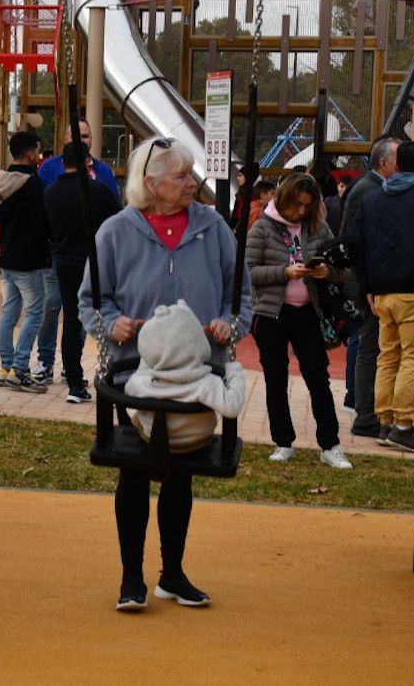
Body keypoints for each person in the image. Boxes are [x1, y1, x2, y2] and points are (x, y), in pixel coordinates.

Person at [79, 136, 252, 610]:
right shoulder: (115, 232)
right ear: (151, 183)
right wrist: (112, 325)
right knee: (134, 470)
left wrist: (228, 324)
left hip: (196, 373)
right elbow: (90, 301)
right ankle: (131, 578)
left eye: (191, 174)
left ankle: (171, 573)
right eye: (180, 176)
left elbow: (241, 296)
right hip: (135, 374)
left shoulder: (214, 229)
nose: (191, 183)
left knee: (181, 474)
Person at [119, 300, 246, 610]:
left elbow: (130, 398)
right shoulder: (207, 382)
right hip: (194, 443)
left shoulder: (141, 381)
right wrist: (234, 369)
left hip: (152, 440)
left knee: (136, 410)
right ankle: (153, 577)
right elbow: (232, 405)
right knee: (166, 479)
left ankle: (165, 577)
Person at [350, 140, 414, 454]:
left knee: (388, 357)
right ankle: (404, 425)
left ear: (396, 165)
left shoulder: (373, 198)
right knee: (413, 361)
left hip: (383, 294)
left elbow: (358, 244)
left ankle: (384, 421)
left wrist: (367, 287)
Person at [247, 173, 352, 468]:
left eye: (307, 206)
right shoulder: (262, 226)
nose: (301, 212)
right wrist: (284, 272)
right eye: (297, 205)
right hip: (270, 313)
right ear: (284, 199)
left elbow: (343, 269)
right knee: (275, 377)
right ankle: (283, 442)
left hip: (308, 312)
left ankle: (330, 444)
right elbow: (249, 271)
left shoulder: (318, 226)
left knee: (317, 376)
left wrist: (327, 273)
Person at [35, 119, 119, 383]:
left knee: (80, 313)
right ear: (65, 138)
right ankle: (45, 360)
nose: (81, 140)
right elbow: (42, 211)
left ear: (92, 140)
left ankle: (70, 364)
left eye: (86, 136)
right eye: (76, 136)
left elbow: (113, 214)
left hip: (90, 257)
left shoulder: (104, 173)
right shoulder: (48, 169)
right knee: (52, 306)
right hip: (55, 253)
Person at [338, 135, 399, 439]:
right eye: (398, 161)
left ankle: (368, 409)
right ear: (384, 163)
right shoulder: (368, 191)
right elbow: (355, 241)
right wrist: (365, 285)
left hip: (369, 280)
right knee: (368, 346)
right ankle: (364, 412)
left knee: (371, 347)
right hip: (365, 283)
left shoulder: (373, 188)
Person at [0, 131, 50, 393]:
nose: (39, 155)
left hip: (8, 256)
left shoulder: (2, 182)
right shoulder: (31, 185)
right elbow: (42, 223)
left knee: (9, 312)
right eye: (37, 151)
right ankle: (21, 369)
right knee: (35, 311)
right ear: (29, 154)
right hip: (29, 259)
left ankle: (7, 366)